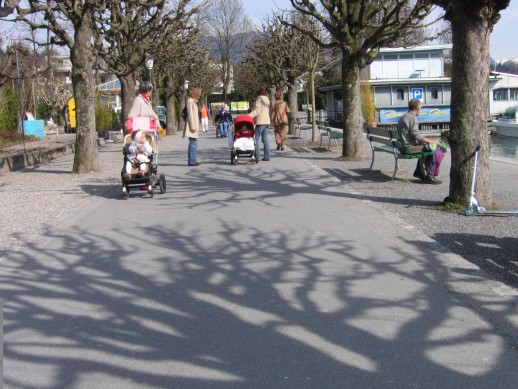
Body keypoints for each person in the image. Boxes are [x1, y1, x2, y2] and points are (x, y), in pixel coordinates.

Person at [397, 98, 446, 184]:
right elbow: (416, 135)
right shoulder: (412, 118)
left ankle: (420, 172)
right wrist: (431, 141)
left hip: (402, 146)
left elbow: (410, 135)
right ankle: (430, 176)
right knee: (436, 149)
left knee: (427, 147)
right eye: (421, 108)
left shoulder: (404, 116)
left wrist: (424, 141)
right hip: (408, 148)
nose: (421, 110)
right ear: (418, 108)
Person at [249, 87, 271, 161]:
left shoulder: (259, 98)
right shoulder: (267, 99)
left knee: (256, 138)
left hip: (261, 121)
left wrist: (248, 116)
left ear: (258, 93)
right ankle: (267, 157)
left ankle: (257, 157)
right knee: (265, 139)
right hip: (267, 121)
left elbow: (257, 110)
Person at [183, 87, 202, 166]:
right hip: (192, 125)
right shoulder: (190, 101)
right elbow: (190, 114)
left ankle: (193, 159)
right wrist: (192, 126)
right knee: (193, 143)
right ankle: (191, 161)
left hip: (194, 125)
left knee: (194, 143)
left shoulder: (193, 102)